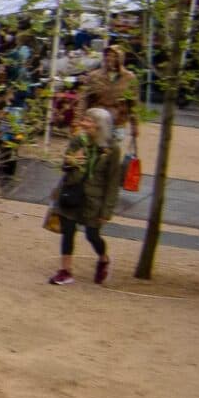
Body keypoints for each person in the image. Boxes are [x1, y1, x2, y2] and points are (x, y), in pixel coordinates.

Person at [50, 107, 124, 285]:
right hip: (72, 191)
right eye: (85, 120)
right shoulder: (78, 141)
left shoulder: (112, 149)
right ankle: (65, 270)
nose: (84, 124)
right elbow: (65, 165)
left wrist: (107, 210)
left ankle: (103, 259)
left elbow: (113, 182)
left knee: (92, 235)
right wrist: (71, 161)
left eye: (89, 121)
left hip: (94, 198)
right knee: (67, 231)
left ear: (100, 126)